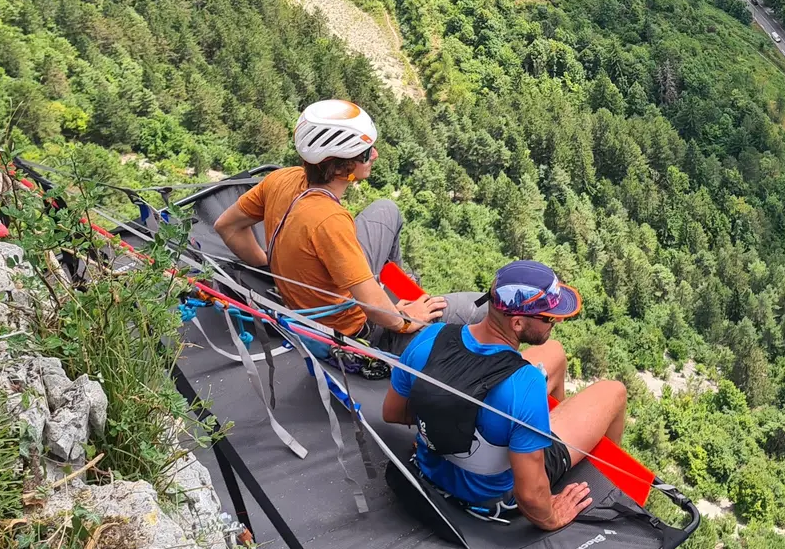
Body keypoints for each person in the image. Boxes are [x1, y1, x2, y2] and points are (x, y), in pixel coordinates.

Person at [213, 99, 484, 376]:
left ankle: (398, 290)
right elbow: (372, 308)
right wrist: (404, 319)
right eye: (365, 153)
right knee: (482, 306)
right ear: (341, 167)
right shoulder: (330, 220)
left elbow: (228, 226)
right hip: (355, 329)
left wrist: (270, 269)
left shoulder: (282, 179)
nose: (375, 155)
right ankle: (402, 310)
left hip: (309, 295)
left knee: (386, 209)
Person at [382, 261, 629, 531]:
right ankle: (597, 476)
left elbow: (393, 412)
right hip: (490, 498)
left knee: (555, 352)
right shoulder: (524, 384)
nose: (555, 322)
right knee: (614, 392)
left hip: (431, 466)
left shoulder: (430, 337)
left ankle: (527, 432)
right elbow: (531, 497)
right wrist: (551, 518)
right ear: (518, 322)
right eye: (548, 318)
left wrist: (439, 423)